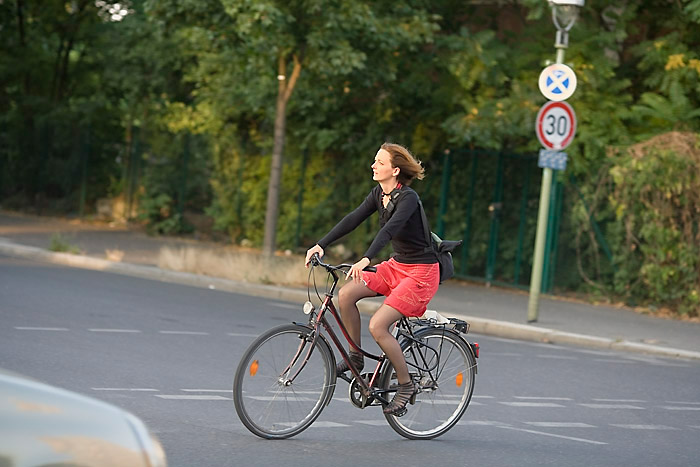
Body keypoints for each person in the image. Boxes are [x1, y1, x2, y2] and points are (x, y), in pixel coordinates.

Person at [304, 142, 439, 416]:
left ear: (395, 169)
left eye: (379, 161)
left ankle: (405, 384)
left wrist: (365, 259)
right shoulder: (379, 193)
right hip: (397, 266)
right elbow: (354, 218)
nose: (373, 165)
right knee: (346, 294)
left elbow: (389, 231)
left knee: (378, 326)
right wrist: (321, 244)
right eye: (374, 160)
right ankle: (355, 356)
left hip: (421, 272)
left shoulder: (408, 198)